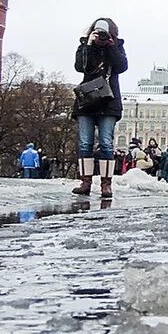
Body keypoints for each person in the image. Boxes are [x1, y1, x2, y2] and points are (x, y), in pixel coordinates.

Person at [72, 17, 128, 198]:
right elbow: (81, 67)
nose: (101, 36)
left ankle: (106, 184)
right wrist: (89, 45)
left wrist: (110, 45)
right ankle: (85, 182)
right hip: (87, 102)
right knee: (85, 143)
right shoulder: (85, 45)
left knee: (105, 143)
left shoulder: (117, 46)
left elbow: (121, 66)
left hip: (108, 102)